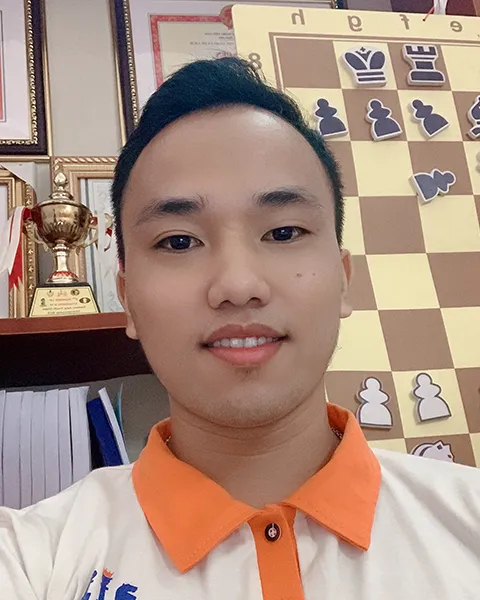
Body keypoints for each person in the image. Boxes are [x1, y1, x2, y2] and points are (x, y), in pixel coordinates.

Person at [1, 57, 480, 600]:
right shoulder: (33, 560)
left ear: (344, 279)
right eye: (179, 241)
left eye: (283, 232)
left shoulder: (466, 524)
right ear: (128, 299)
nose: (237, 284)